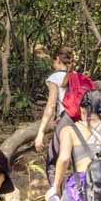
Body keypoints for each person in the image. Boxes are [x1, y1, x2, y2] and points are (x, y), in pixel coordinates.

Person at [34, 45, 76, 190]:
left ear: (58, 59)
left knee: (52, 161)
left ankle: (56, 196)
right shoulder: (77, 76)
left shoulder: (55, 78)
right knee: (76, 161)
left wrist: (41, 132)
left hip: (66, 121)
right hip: (81, 121)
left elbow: (51, 106)